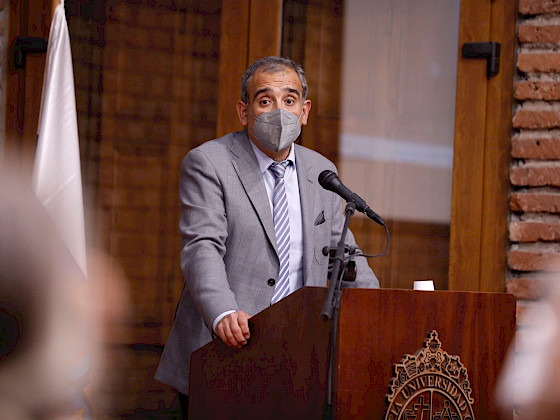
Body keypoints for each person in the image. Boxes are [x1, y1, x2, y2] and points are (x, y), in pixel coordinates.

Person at [155, 56, 379, 415]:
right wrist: (223, 311)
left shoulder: (321, 171)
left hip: (300, 357)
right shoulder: (209, 162)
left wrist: (378, 311)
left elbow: (344, 254)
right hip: (227, 349)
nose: (279, 111)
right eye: (265, 100)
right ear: (244, 112)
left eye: (289, 101)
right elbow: (202, 247)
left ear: (304, 111)